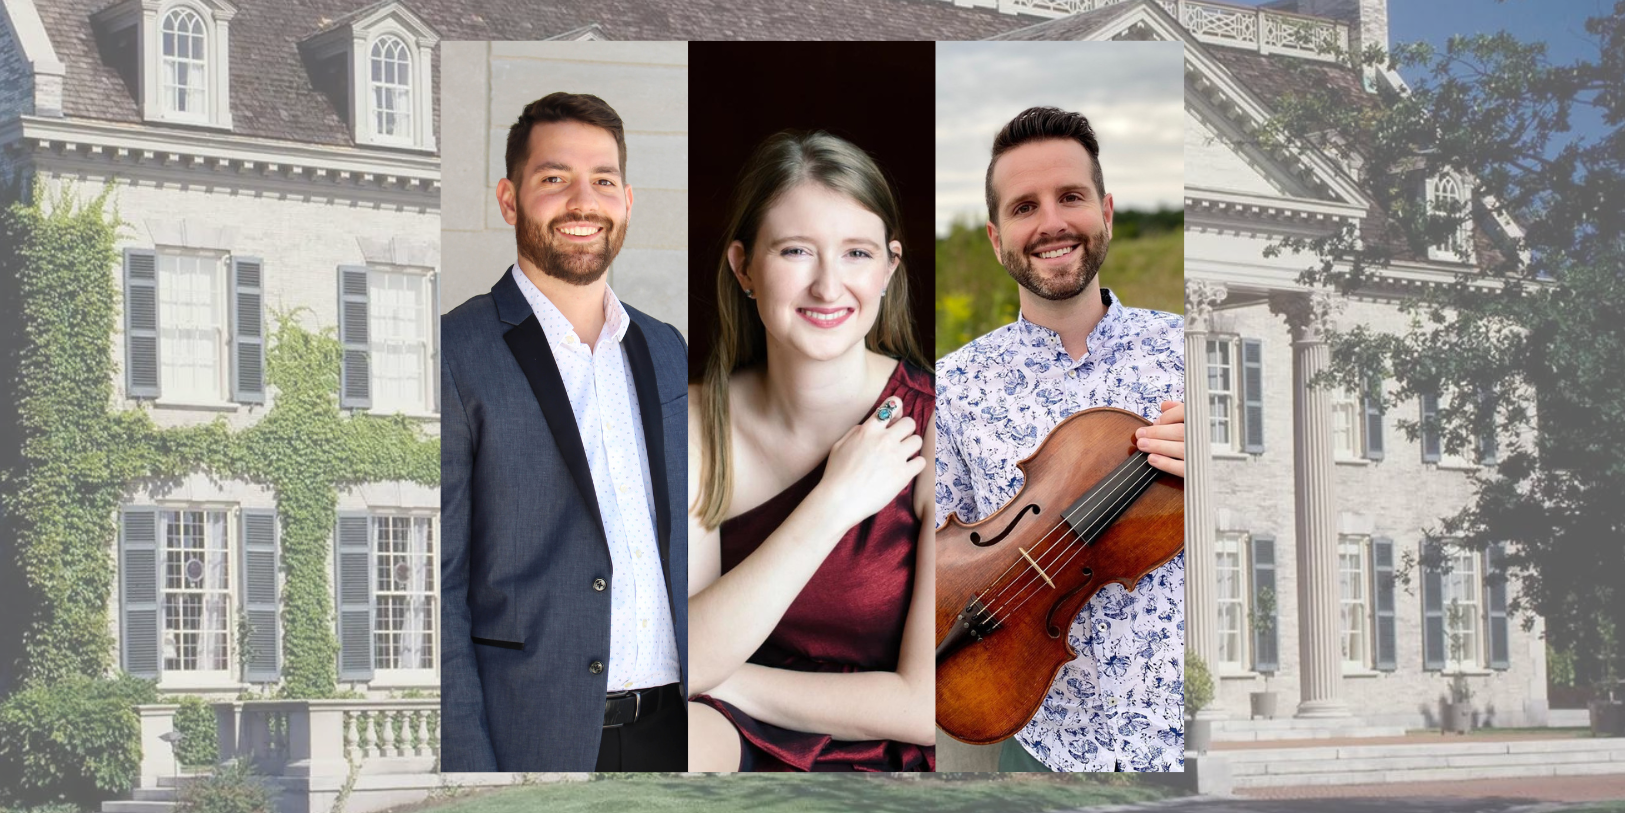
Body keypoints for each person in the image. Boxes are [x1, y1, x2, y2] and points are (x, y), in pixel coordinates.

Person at [440, 92, 689, 771]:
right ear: (508, 198)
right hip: (534, 741)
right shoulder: (455, 351)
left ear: (627, 200)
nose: (584, 201)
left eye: (603, 181)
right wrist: (470, 775)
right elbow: (437, 589)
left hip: (677, 735)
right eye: (554, 179)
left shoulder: (668, 350)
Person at [935, 106, 1187, 772]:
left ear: (1105, 210)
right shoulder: (951, 386)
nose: (1050, 222)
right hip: (1037, 739)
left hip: (1187, 735)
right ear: (996, 238)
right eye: (1024, 206)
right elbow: (923, 561)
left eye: (1069, 197)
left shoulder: (1193, 351)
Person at [685, 131, 937, 772]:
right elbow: (680, 657)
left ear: (889, 268)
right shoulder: (692, 420)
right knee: (677, 739)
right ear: (744, 267)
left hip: (886, 749)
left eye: (856, 253)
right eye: (796, 251)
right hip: (729, 732)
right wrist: (834, 501)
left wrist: (726, 681)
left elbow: (927, 706)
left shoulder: (942, 425)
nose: (828, 286)